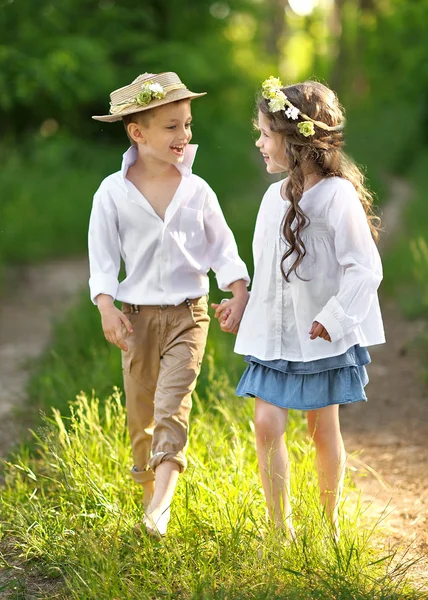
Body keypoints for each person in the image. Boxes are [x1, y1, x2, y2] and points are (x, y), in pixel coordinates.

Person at [213, 77, 385, 540]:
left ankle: (327, 524)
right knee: (266, 424)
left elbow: (365, 268)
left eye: (265, 134)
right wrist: (242, 302)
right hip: (274, 335)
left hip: (319, 334)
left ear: (296, 141)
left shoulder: (336, 197)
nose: (259, 142)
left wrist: (334, 317)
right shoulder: (272, 200)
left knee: (320, 427)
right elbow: (266, 269)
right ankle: (279, 529)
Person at [89, 71, 249, 537]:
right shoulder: (111, 193)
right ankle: (148, 502)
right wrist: (105, 305)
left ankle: (161, 505)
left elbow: (223, 248)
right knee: (140, 416)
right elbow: (101, 259)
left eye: (188, 124)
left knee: (172, 405)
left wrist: (237, 291)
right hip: (136, 320)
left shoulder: (197, 190)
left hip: (188, 315)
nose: (185, 136)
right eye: (172, 126)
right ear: (137, 133)